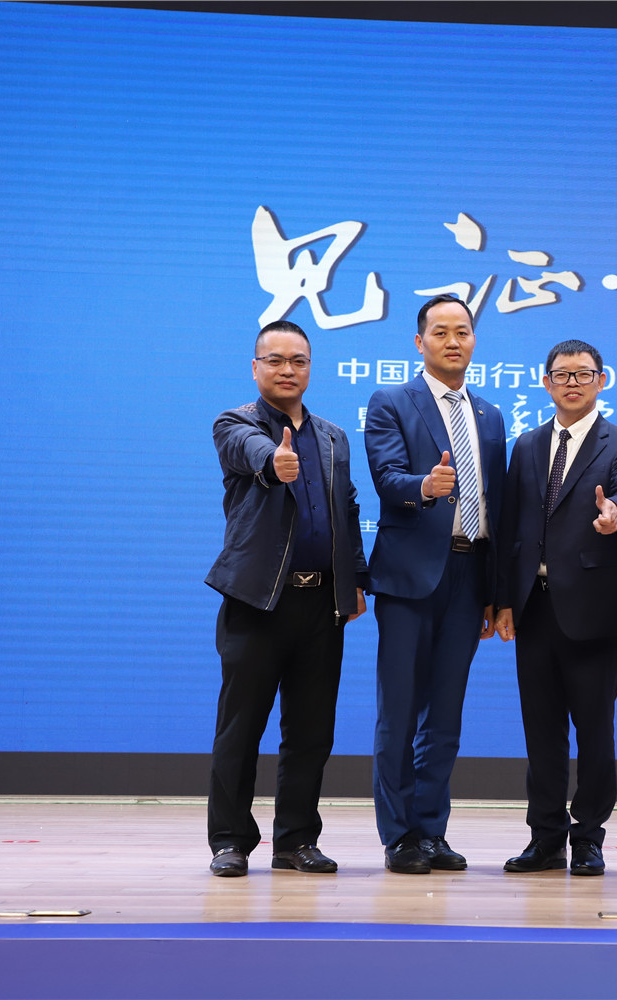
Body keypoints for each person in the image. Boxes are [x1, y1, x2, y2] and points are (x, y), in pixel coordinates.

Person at [204, 320, 370, 878]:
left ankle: (296, 841)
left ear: (309, 368)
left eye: (298, 361)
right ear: (256, 368)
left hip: (322, 604)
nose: (287, 370)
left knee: (311, 731)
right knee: (241, 727)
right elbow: (250, 452)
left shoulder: (333, 436)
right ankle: (230, 841)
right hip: (258, 601)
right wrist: (274, 464)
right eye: (275, 360)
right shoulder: (236, 423)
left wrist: (355, 580)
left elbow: (346, 508)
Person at [363, 293, 506, 874]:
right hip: (409, 577)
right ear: (419, 342)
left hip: (469, 575)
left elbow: (497, 506)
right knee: (399, 713)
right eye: (440, 331)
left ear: (474, 340)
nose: (453, 341)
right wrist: (425, 486)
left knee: (445, 717)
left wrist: (495, 593)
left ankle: (431, 831)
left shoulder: (490, 415)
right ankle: (399, 835)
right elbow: (386, 477)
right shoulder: (391, 401)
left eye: (462, 331)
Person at [493, 340, 617, 877]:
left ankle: (588, 837)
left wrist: (615, 513)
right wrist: (504, 600)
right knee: (541, 731)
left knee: (594, 729)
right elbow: (510, 525)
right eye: (562, 375)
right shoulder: (527, 445)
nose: (573, 383)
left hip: (594, 611)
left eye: (583, 374)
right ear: (546, 382)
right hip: (533, 608)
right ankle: (545, 838)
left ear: (602, 380)